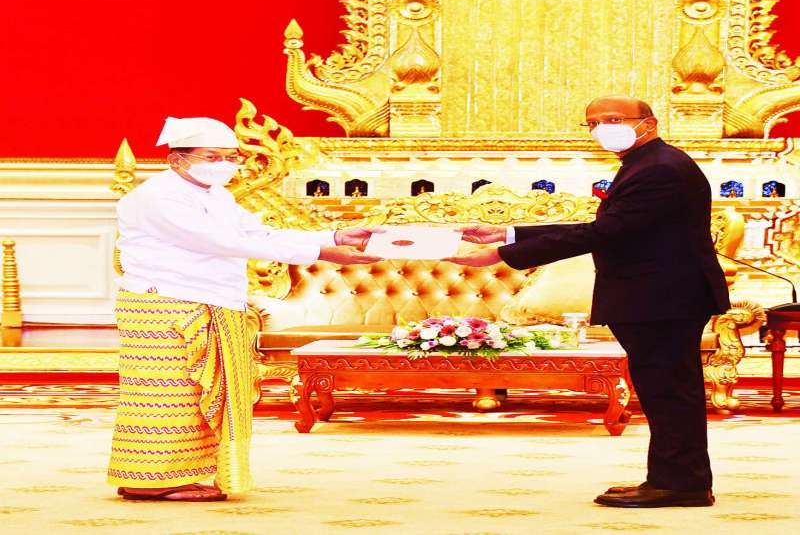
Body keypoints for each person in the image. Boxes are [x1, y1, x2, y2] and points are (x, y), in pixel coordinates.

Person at [446, 95, 729, 508]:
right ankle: (674, 479)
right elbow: (607, 225)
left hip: (663, 296)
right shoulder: (647, 163)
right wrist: (509, 233)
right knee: (663, 389)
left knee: (669, 391)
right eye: (593, 123)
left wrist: (502, 255)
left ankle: (680, 484)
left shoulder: (660, 168)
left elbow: (605, 233)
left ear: (648, 123)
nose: (601, 129)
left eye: (613, 119)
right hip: (657, 295)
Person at [108, 116, 381, 502]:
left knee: (194, 398)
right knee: (167, 395)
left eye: (231, 157)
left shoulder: (217, 196)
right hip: (167, 306)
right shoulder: (156, 197)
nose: (224, 164)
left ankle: (174, 475)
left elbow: (258, 234)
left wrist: (334, 236)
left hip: (207, 301)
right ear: (176, 159)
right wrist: (321, 252)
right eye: (211, 156)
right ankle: (149, 480)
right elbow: (220, 242)